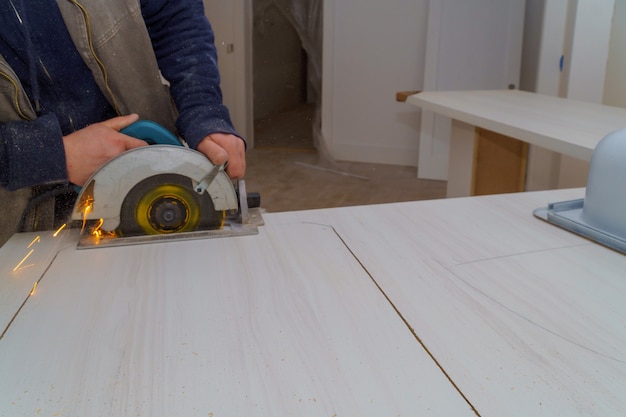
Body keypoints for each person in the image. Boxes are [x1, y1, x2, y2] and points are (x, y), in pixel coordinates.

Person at [0, 0, 246, 246]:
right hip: (14, 229)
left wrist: (203, 110)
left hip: (145, 188)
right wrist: (46, 155)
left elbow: (174, 15)